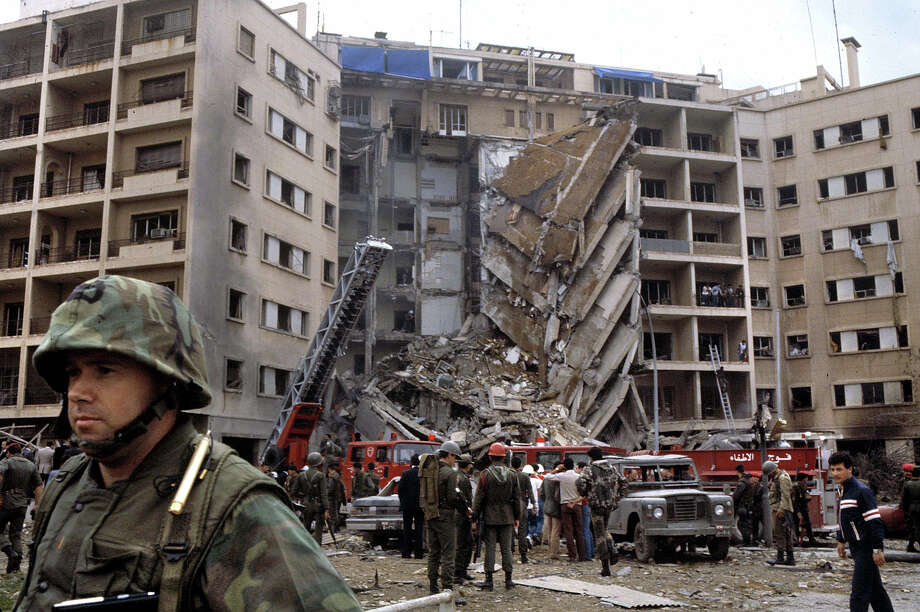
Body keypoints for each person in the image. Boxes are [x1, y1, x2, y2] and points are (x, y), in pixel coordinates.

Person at [16, 275, 361, 610]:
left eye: (104, 370)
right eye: (73, 372)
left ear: (167, 383)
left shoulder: (233, 505)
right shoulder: (68, 482)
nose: (77, 392)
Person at [831, 451, 894, 612]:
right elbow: (844, 518)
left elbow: (874, 521)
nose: (835, 473)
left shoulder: (861, 491)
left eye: (839, 469)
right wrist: (841, 540)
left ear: (849, 469)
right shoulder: (843, 491)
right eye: (832, 469)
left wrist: (877, 548)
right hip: (856, 546)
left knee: (859, 594)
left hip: (866, 547)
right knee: (875, 592)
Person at [473, 442, 520, 591]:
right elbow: (517, 498)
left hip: (489, 517)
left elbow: (479, 498)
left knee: (490, 549)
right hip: (507, 516)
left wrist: (474, 517)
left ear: (491, 457)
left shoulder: (484, 475)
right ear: (504, 457)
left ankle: (489, 580)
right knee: (507, 549)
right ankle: (508, 580)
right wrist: (517, 517)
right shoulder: (512, 475)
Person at [426, 441, 467, 602]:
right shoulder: (450, 474)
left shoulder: (431, 471)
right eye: (454, 458)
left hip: (431, 514)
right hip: (445, 516)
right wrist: (463, 508)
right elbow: (451, 497)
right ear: (449, 455)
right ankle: (447, 591)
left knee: (433, 552)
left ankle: (433, 587)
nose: (455, 461)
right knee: (448, 553)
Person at [577, 446, 624, 577]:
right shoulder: (611, 468)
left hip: (596, 505)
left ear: (591, 457)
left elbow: (580, 483)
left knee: (599, 534)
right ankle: (613, 549)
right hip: (609, 505)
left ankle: (605, 566)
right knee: (605, 529)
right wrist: (617, 497)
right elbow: (624, 482)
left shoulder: (589, 469)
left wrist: (585, 493)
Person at [0, 443, 42, 573]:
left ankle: (10, 552)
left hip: (5, 503)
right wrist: (36, 504)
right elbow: (39, 486)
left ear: (8, 453)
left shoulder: (6, 462)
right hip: (22, 503)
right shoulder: (30, 465)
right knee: (16, 534)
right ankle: (15, 567)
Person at [544, 457, 585, 561]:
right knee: (579, 530)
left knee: (568, 531)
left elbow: (547, 477)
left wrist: (557, 469)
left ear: (564, 466)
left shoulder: (561, 476)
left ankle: (572, 555)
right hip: (576, 504)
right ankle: (582, 555)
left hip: (565, 505)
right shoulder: (578, 476)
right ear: (573, 465)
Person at [764, 460, 795, 566]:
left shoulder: (782, 478)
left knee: (780, 534)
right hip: (779, 508)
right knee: (785, 534)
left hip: (780, 509)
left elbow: (785, 496)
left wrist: (781, 510)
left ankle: (781, 557)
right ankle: (789, 558)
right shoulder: (777, 478)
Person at [398, 453, 424, 559]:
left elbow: (400, 490)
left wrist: (403, 503)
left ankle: (406, 552)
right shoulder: (422, 474)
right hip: (419, 506)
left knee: (407, 529)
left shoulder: (405, 473)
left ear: (411, 462)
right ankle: (418, 553)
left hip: (407, 506)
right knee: (419, 529)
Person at [455, 453, 475, 582]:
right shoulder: (464, 479)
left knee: (464, 543)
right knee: (465, 544)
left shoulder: (456, 476)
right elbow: (467, 499)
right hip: (463, 515)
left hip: (458, 515)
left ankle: (462, 571)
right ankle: (459, 572)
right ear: (468, 465)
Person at [511, 456, 535, 563]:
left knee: (510, 530)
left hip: (509, 504)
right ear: (520, 465)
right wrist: (534, 504)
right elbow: (530, 491)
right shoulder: (525, 476)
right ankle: (523, 555)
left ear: (511, 464)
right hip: (522, 504)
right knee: (522, 530)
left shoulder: (508, 475)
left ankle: (509, 553)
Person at [541, 462, 562, 558]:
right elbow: (557, 495)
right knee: (555, 530)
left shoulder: (546, 479)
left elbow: (541, 493)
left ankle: (550, 549)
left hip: (547, 505)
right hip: (556, 506)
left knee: (549, 529)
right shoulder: (557, 480)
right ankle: (554, 551)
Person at [792, 472, 817, 547]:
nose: (807, 479)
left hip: (804, 508)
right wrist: (798, 512)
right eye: (805, 478)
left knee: (807, 524)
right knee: (795, 525)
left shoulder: (803, 486)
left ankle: (811, 539)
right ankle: (795, 540)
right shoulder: (795, 487)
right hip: (797, 509)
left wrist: (808, 498)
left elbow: (805, 496)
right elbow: (794, 501)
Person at [576, 462, 594, 562]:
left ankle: (587, 554)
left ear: (581, 468)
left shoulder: (582, 479)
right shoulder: (590, 478)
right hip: (589, 505)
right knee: (588, 529)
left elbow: (582, 495)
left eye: (577, 468)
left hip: (583, 505)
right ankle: (591, 551)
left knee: (584, 529)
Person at [733, 469, 756, 546]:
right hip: (749, 506)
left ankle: (746, 542)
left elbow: (736, 495)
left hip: (742, 506)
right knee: (747, 524)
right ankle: (748, 541)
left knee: (741, 524)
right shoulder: (751, 483)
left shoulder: (742, 483)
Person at [901, 466, 920, 553]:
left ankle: (910, 546)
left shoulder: (907, 484)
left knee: (912, 528)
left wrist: (905, 510)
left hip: (911, 509)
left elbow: (904, 499)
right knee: (917, 528)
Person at [326, 463, 346, 533]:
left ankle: (333, 529)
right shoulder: (338, 476)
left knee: (332, 514)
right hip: (338, 498)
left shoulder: (332, 477)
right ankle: (336, 528)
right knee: (336, 513)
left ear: (329, 469)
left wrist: (325, 494)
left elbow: (330, 489)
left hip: (332, 498)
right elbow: (343, 487)